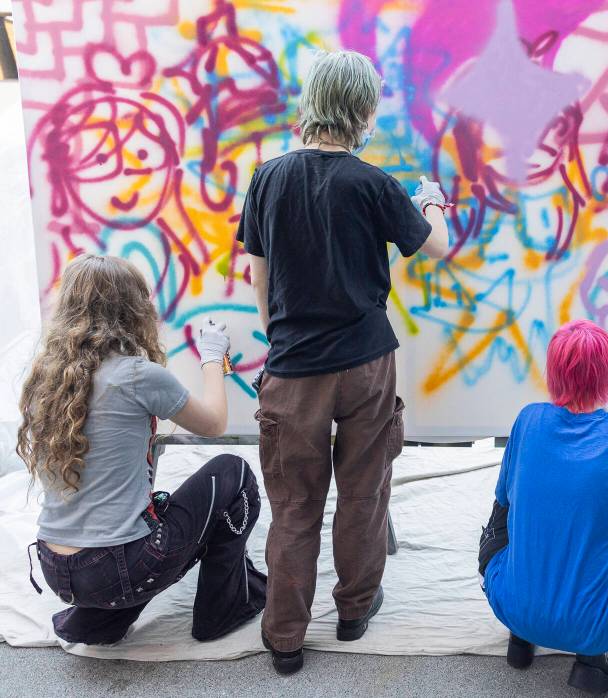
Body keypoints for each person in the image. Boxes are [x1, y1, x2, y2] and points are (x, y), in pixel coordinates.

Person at [236, 50, 451, 675]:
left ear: (312, 105)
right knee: (363, 492)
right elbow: (433, 245)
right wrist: (431, 200)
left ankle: (285, 638)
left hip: (294, 371)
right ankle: (355, 611)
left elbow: (260, 275)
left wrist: (281, 340)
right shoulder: (374, 183)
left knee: (295, 506)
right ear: (360, 110)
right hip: (365, 364)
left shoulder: (268, 177)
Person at [18, 254, 264, 646]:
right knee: (233, 473)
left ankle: (98, 622)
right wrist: (213, 357)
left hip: (55, 567)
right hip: (115, 568)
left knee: (148, 517)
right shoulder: (136, 375)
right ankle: (222, 611)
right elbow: (214, 424)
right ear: (133, 309)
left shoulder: (47, 377)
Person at [478, 320, 608, 695]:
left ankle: (521, 639)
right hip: (592, 624)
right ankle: (591, 659)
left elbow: (504, 497)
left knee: (508, 513)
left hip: (510, 602)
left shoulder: (528, 420)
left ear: (552, 372)